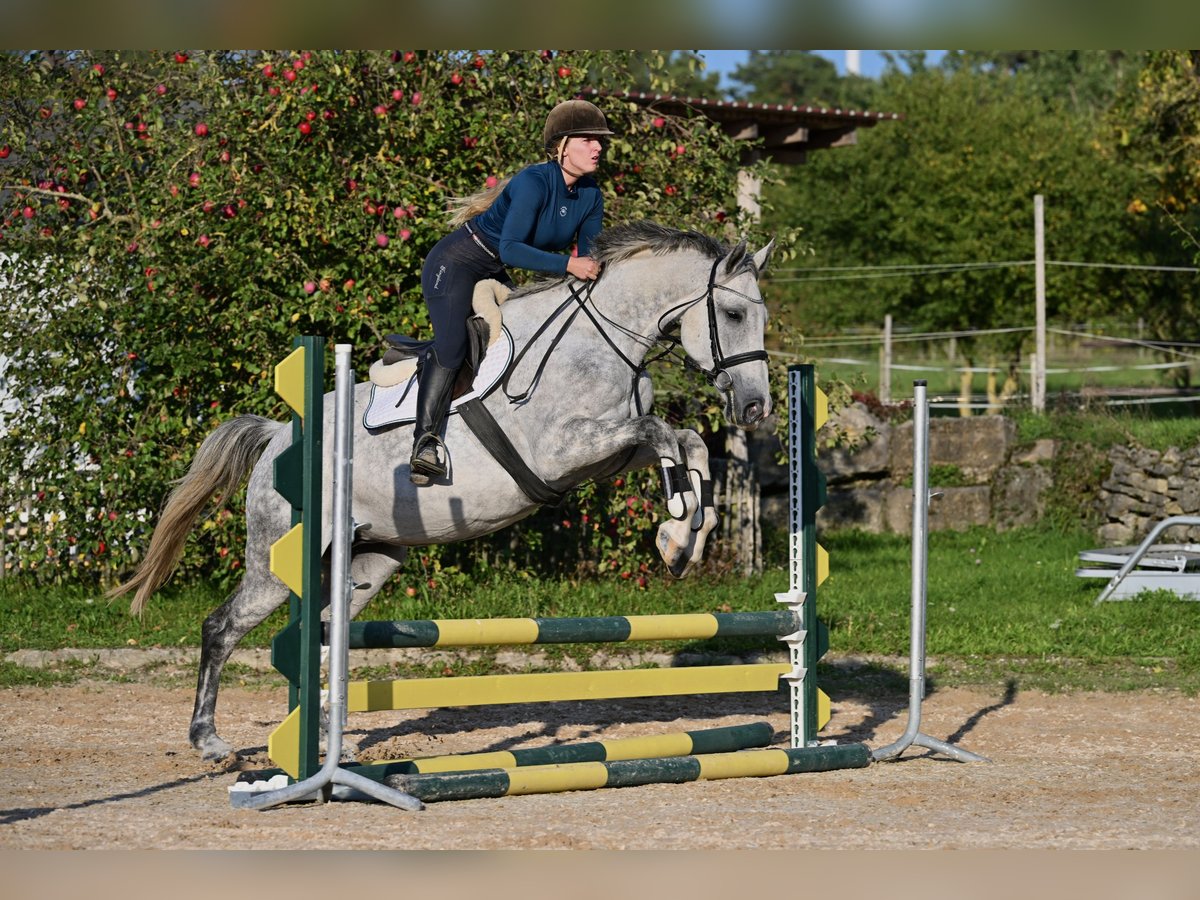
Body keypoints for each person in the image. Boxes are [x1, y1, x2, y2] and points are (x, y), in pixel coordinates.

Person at [408, 98, 615, 485]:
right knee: (452, 346)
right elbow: (511, 249)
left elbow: (589, 259)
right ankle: (425, 443)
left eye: (600, 140)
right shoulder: (533, 182)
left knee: (527, 336)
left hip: (494, 270)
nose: (598, 147)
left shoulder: (591, 195)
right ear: (561, 145)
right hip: (455, 263)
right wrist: (570, 265)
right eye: (588, 139)